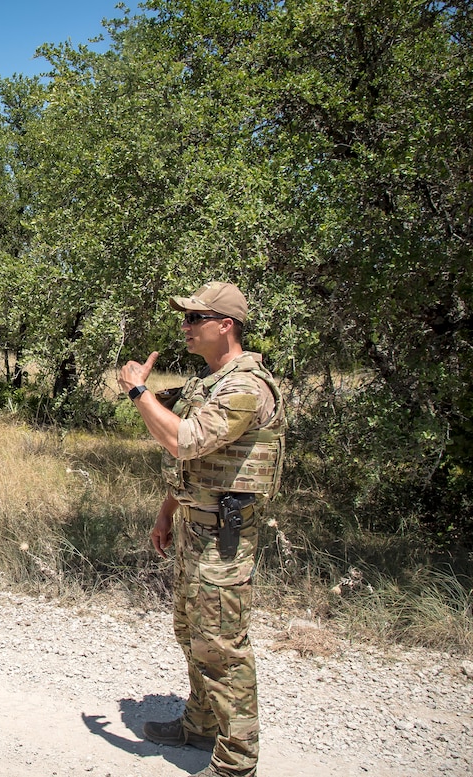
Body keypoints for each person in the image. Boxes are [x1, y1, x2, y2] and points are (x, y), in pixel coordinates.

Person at [117, 282, 286, 777]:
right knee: (191, 631)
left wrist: (137, 392)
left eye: (195, 319)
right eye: (185, 319)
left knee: (223, 647)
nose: (186, 327)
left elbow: (184, 440)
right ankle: (200, 724)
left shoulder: (245, 388)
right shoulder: (209, 382)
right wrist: (167, 510)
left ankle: (237, 762)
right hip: (196, 523)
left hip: (224, 535)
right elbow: (197, 462)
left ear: (226, 325)